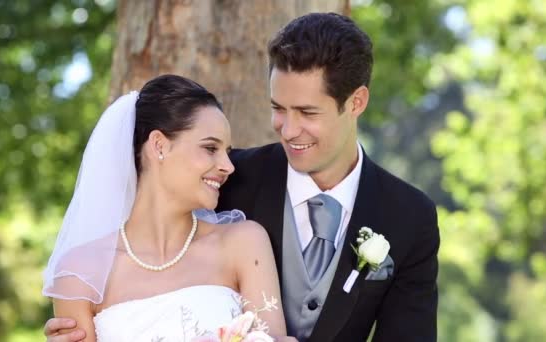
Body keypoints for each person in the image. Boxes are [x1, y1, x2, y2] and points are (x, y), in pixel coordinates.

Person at [46, 12, 439, 342]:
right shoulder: (225, 180)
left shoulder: (409, 216)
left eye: (307, 112)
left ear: (356, 102)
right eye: (278, 108)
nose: (287, 129)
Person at [42, 74, 290, 341]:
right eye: (210, 148)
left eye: (227, 152)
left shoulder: (244, 243)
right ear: (159, 145)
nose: (228, 166)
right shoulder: (80, 272)